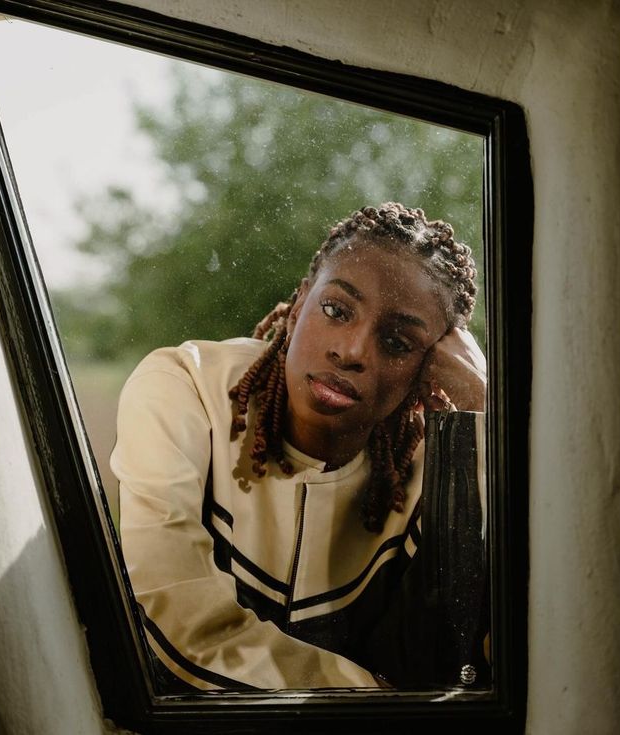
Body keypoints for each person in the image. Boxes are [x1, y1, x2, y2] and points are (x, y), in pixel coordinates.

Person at [111, 202, 487, 693]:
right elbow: (181, 616)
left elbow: (462, 657)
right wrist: (386, 706)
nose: (352, 351)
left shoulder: (426, 465)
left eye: (397, 343)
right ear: (300, 302)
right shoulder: (186, 386)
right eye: (335, 310)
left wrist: (482, 407)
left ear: (428, 371)